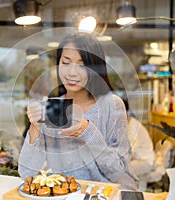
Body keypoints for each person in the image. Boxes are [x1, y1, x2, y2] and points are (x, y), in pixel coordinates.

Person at [18, 32, 138, 190]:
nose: (72, 73)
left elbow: (119, 173)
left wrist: (88, 132)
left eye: (82, 65)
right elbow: (26, 174)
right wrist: (35, 127)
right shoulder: (54, 107)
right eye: (66, 62)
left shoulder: (111, 105)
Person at [123, 99, 155, 179]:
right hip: (136, 158)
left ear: (126, 112)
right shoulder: (126, 124)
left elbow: (131, 150)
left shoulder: (134, 125)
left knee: (123, 171)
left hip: (145, 161)